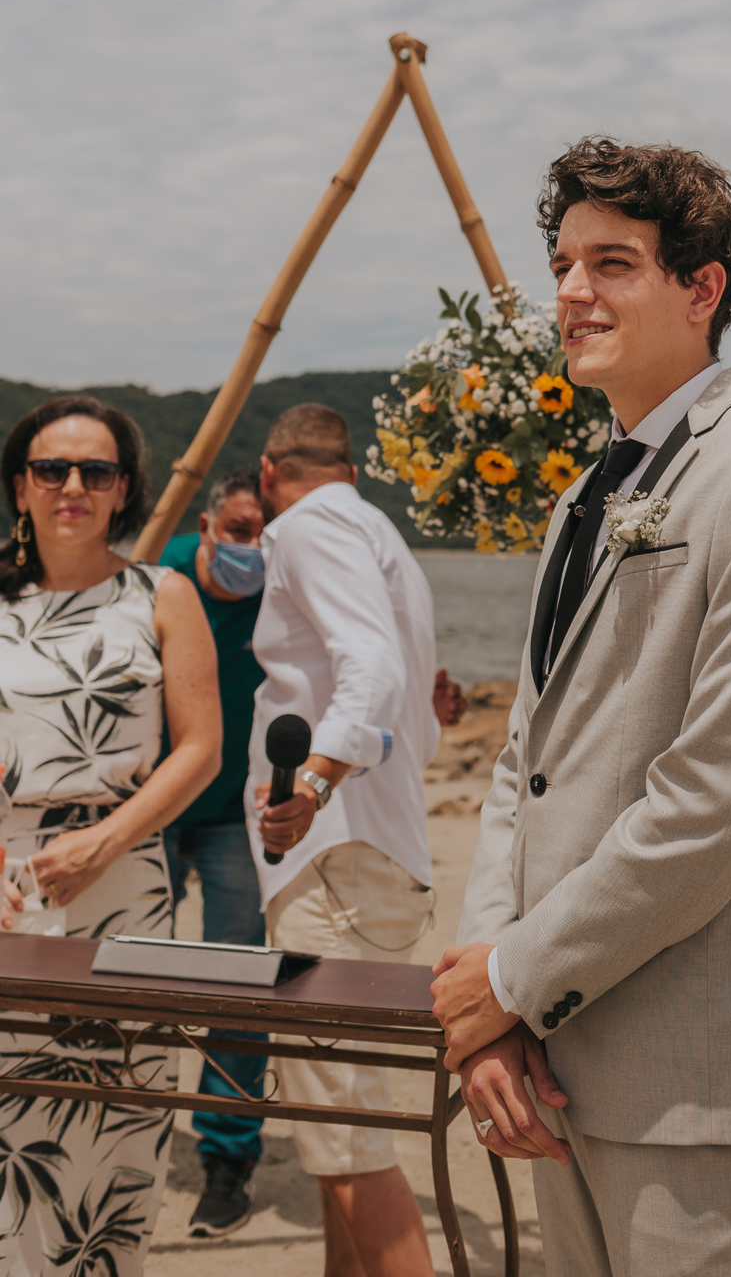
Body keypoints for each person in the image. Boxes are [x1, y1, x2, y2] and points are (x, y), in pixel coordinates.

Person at [430, 139, 731, 1277]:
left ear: (701, 287)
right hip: (554, 1066)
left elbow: (716, 804)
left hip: (700, 1086)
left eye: (612, 263)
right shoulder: (585, 492)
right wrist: (492, 1005)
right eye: (564, 263)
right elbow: (523, 761)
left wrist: (512, 981)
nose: (570, 292)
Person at [0, 395, 221, 1277]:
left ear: (123, 487)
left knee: (114, 1119)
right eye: (53, 469)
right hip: (7, 893)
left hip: (125, 885)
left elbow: (200, 748)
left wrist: (103, 842)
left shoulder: (162, 594)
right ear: (22, 486)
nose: (73, 487)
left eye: (96, 471)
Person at [247, 404, 463, 1277]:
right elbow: (412, 721)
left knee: (347, 1140)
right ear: (355, 469)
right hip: (375, 857)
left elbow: (368, 665)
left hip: (334, 859)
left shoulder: (306, 525)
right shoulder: (382, 540)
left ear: (268, 473)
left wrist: (309, 783)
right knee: (342, 1130)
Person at [159, 466, 269, 1239]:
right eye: (237, 531)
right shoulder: (157, 575)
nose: (251, 548)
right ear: (204, 524)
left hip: (236, 813)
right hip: (150, 810)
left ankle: (227, 1160)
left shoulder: (283, 587)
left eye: (264, 535)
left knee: (236, 990)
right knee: (111, 972)